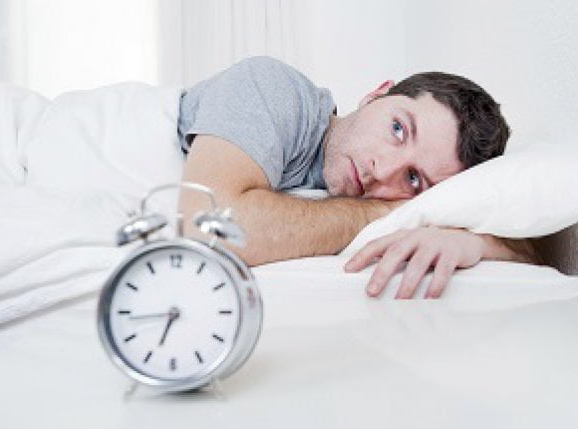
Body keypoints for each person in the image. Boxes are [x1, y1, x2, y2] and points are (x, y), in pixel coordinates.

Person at [177, 56, 538, 299]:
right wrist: (384, 214)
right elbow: (205, 228)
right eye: (398, 129)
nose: (381, 169)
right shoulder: (272, 88)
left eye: (413, 179)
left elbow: (528, 249)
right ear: (377, 94)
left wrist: (475, 244)